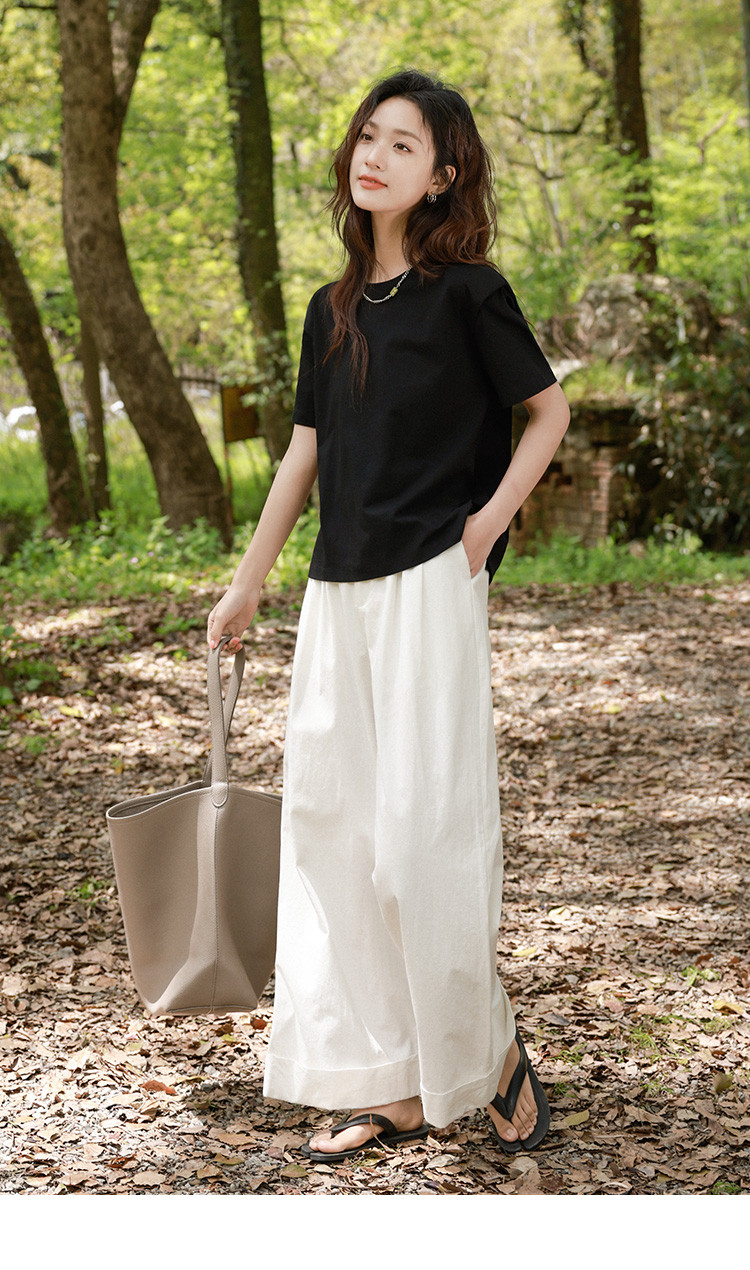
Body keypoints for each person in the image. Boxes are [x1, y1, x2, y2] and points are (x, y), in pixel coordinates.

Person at [207, 68, 570, 1163]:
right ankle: (388, 1080)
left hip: (428, 585)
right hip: (336, 593)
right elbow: (305, 453)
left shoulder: (470, 295)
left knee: (422, 839)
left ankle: (483, 1050)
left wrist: (487, 524)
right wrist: (249, 580)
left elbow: (547, 411)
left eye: (403, 144)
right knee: (336, 834)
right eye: (369, 136)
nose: (375, 156)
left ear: (443, 174)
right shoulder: (331, 310)